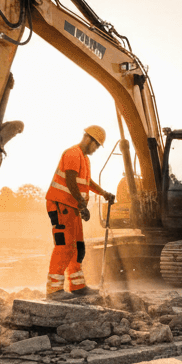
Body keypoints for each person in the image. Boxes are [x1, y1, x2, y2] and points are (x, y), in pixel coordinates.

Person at [45, 126, 115, 299]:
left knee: (77, 247)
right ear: (88, 139)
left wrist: (104, 193)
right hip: (61, 205)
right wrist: (82, 205)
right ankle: (54, 290)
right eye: (97, 145)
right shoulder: (72, 154)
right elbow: (70, 181)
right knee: (64, 246)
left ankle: (77, 286)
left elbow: (87, 182)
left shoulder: (84, 159)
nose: (96, 149)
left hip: (72, 207)